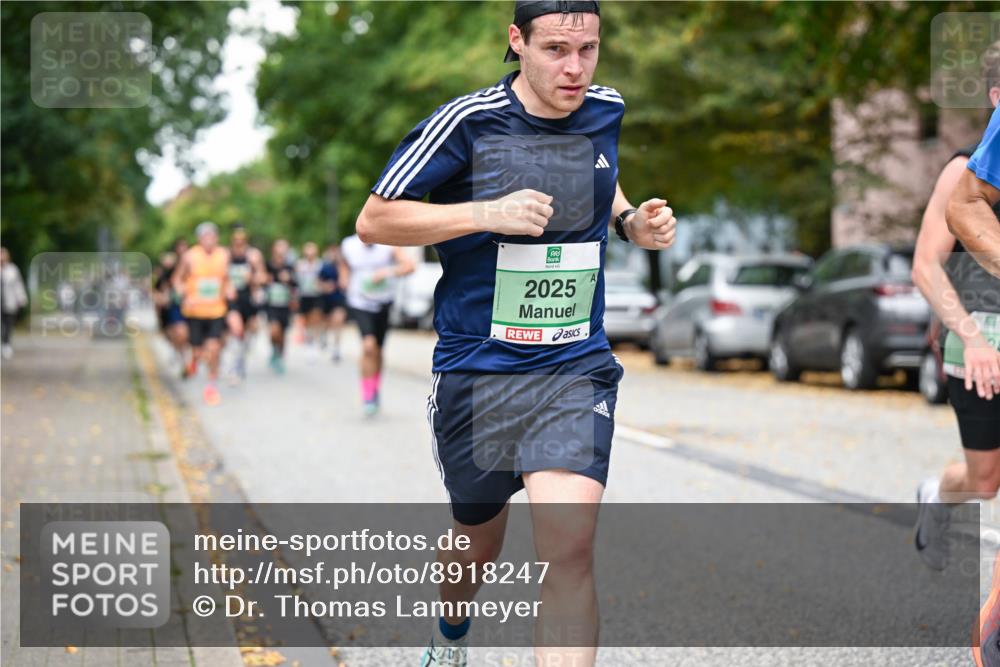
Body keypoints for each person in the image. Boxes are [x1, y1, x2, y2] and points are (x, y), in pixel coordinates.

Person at [355, 2, 676, 664]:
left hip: (572, 365)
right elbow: (376, 219)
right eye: (556, 49)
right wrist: (484, 211)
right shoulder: (469, 123)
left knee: (569, 546)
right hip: (480, 368)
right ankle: (449, 635)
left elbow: (599, 174)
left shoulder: (606, 107)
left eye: (588, 49)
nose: (575, 67)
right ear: (517, 42)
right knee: (477, 539)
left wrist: (627, 224)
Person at [909, 41, 1000, 666]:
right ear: (994, 98)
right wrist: (969, 334)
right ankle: (938, 496)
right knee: (985, 480)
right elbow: (924, 267)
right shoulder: (964, 170)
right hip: (978, 344)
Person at [339, 233, 414, 415]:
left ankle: (374, 387)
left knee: (379, 351)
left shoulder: (388, 244)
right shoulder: (348, 244)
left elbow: (409, 266)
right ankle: (368, 396)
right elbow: (344, 266)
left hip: (383, 303)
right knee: (368, 347)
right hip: (360, 302)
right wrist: (344, 279)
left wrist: (387, 272)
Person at [173, 222, 229, 405]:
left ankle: (211, 387)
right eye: (205, 236)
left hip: (216, 310)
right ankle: (193, 363)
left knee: (213, 348)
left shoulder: (224, 255)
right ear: (199, 239)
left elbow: (226, 279)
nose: (209, 239)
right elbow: (177, 280)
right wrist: (183, 293)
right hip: (195, 312)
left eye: (212, 236)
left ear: (217, 238)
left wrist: (230, 289)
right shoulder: (189, 256)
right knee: (197, 351)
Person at [225, 224, 266, 382]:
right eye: (236, 237)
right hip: (232, 299)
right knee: (236, 330)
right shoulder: (226, 255)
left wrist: (253, 278)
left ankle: (240, 361)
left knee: (247, 334)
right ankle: (234, 366)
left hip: (248, 299)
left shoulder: (253, 255)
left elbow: (263, 277)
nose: (239, 240)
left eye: (241, 237)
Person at [265, 239, 297, 375]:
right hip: (271, 304)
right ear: (274, 249)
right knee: (274, 330)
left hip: (285, 305)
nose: (282, 250)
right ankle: (274, 350)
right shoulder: (268, 265)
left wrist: (289, 280)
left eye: (284, 247)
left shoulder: (289, 267)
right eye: (279, 246)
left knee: (283, 334)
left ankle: (280, 355)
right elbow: (260, 280)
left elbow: (296, 285)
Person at [319, 242, 349, 362]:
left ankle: (336, 348)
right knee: (327, 322)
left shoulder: (344, 266)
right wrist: (326, 286)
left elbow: (347, 281)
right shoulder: (325, 267)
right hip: (327, 299)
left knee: (338, 321)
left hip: (339, 299)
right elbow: (318, 282)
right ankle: (324, 336)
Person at [294, 241, 325, 345]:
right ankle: (309, 337)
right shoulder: (300, 264)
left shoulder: (320, 264)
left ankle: (315, 337)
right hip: (304, 295)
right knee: (306, 318)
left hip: (316, 295)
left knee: (316, 315)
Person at [1, 247, 28, 360]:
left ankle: (6, 344)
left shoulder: (12, 269)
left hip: (9, 301)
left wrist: (22, 298)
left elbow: (18, 285)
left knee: (8, 325)